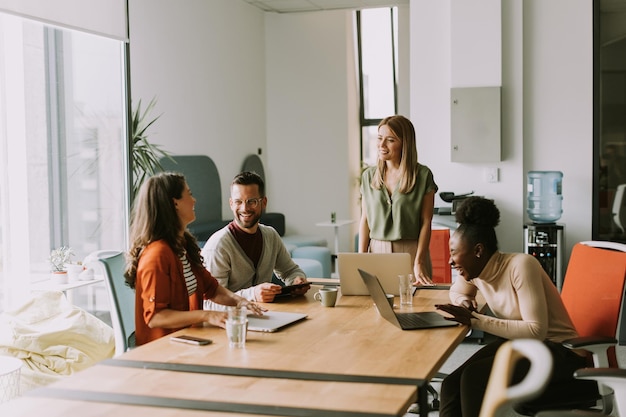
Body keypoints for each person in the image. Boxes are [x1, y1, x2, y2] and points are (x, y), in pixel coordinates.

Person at [435, 197, 588, 417]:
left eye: (454, 252)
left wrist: (477, 321)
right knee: (450, 384)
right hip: (521, 344)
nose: (450, 261)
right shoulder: (474, 272)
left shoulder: (521, 265)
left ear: (478, 251)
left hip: (560, 351)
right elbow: (457, 291)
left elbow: (536, 331)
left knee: (473, 378)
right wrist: (464, 302)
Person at [124, 171, 264, 346]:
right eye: (189, 194)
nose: (194, 200)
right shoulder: (157, 255)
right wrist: (207, 315)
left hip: (188, 339)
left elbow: (212, 289)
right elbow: (156, 317)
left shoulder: (183, 246)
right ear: (175, 203)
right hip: (163, 349)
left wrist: (241, 302)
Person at [202, 171, 310, 307]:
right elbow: (210, 303)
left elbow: (290, 271)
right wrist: (252, 295)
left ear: (263, 202)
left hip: (267, 316)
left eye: (251, 201)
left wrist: (297, 281)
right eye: (238, 202)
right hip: (233, 324)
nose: (244, 208)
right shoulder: (218, 245)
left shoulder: (270, 235)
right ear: (231, 203)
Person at [359, 115, 438, 285]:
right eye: (380, 138)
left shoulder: (423, 175)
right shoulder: (368, 176)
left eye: (390, 140)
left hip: (410, 252)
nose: (381, 145)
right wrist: (361, 259)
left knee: (415, 307)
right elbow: (365, 220)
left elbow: (426, 222)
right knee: (372, 308)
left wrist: (419, 262)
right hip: (376, 251)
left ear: (405, 143)